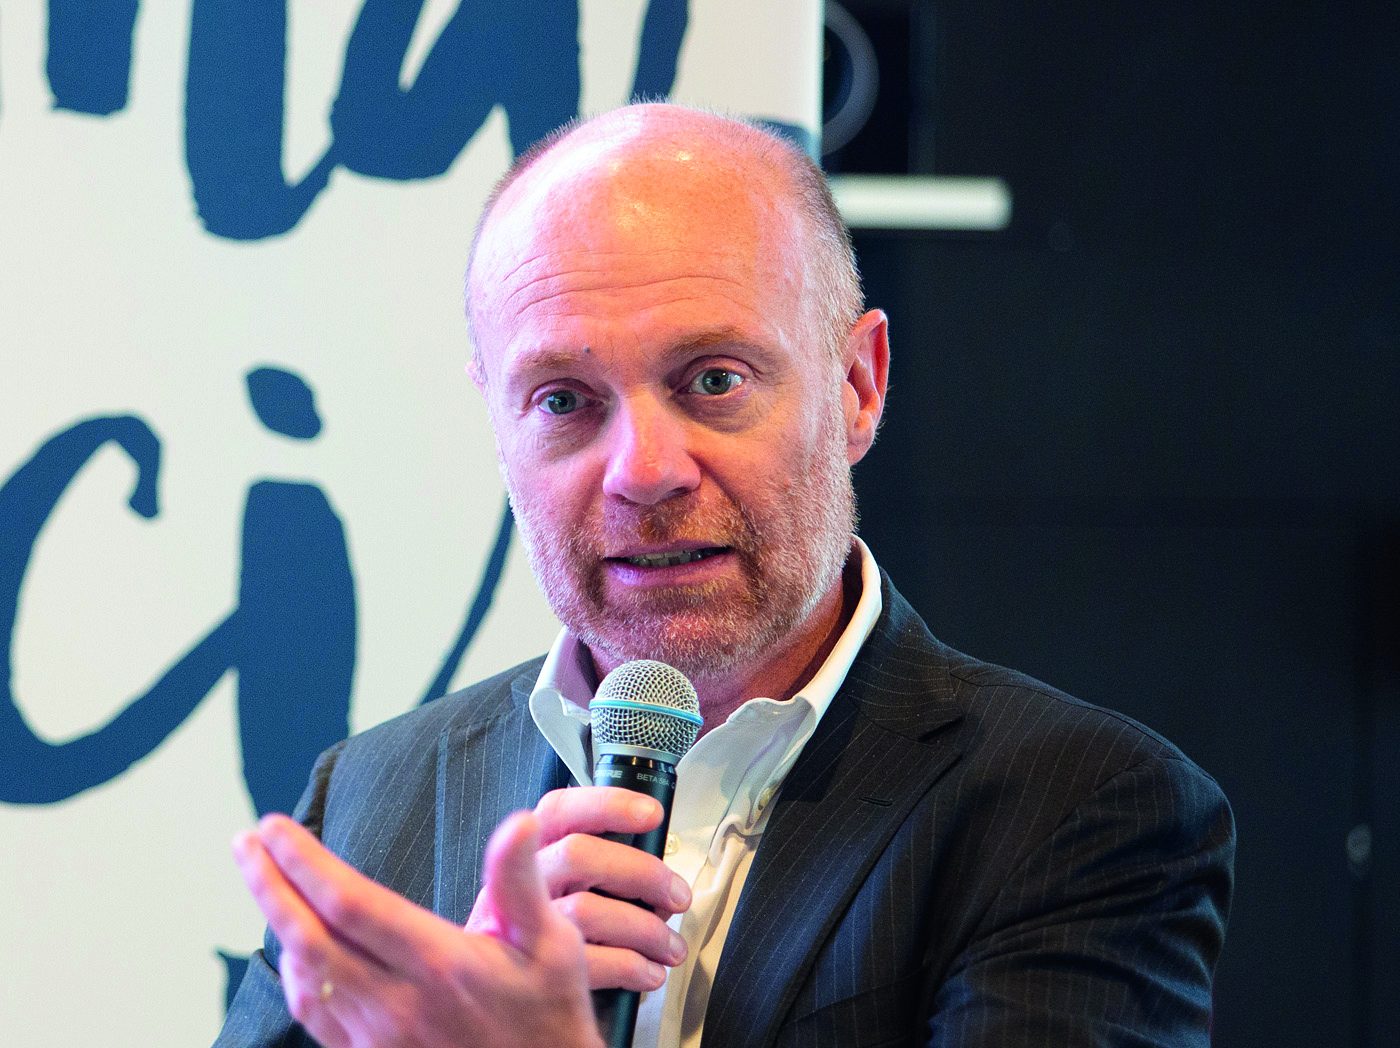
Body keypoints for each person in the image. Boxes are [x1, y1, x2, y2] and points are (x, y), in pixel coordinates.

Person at [216, 103, 1234, 1048]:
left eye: (712, 380)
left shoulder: (1077, 807)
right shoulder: (367, 800)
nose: (643, 471)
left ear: (858, 386)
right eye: (564, 400)